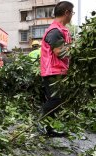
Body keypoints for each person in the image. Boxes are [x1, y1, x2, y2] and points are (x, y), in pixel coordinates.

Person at [39, 1, 74, 136]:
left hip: (58, 70)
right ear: (67, 13)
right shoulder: (55, 31)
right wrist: (78, 50)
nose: (72, 16)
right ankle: (40, 122)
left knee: (57, 100)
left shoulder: (60, 30)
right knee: (55, 100)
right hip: (52, 71)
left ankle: (49, 129)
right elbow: (59, 52)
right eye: (72, 13)